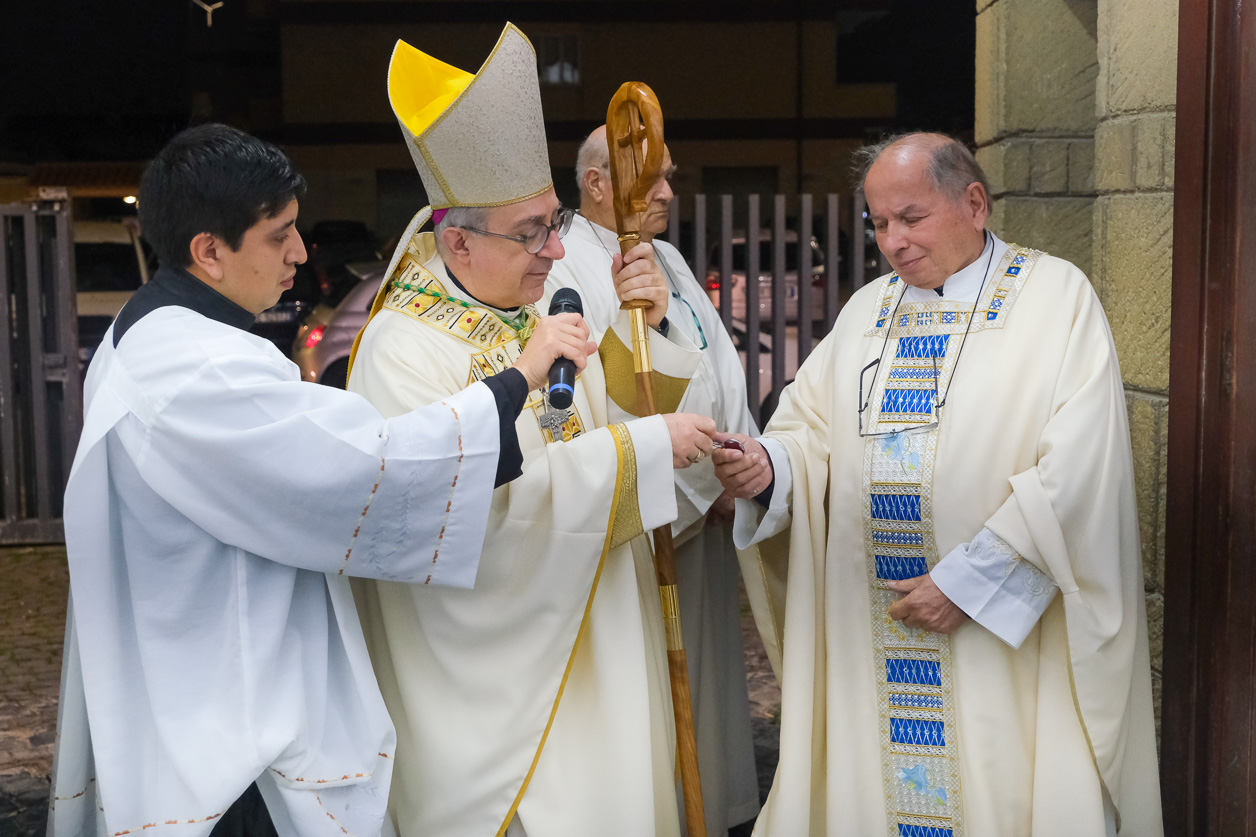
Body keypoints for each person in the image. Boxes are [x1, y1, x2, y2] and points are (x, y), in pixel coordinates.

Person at [47, 123, 572, 837]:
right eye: (278, 235)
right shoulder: (197, 367)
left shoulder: (154, 333)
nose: (301, 252)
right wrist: (523, 373)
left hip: (197, 689)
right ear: (209, 251)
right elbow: (365, 468)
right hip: (231, 732)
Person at [712, 132, 1162, 836]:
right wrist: (769, 467)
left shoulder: (1054, 299)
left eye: (911, 218)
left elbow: (1080, 469)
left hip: (999, 634)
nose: (893, 240)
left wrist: (970, 582)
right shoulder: (866, 312)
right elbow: (810, 431)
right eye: (879, 223)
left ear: (974, 203)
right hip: (877, 631)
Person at [346, 25, 716, 837]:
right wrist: (644, 454)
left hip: (596, 643)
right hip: (500, 700)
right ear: (457, 241)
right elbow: (459, 515)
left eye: (554, 224)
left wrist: (644, 330)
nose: (556, 250)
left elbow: (597, 418)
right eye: (533, 233)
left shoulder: (524, 308)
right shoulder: (403, 349)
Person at [545, 124, 761, 837]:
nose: (669, 190)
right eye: (653, 178)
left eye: (671, 174)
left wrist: (737, 459)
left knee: (703, 692)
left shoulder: (664, 255)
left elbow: (719, 365)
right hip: (642, 528)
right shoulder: (563, 267)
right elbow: (598, 396)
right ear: (598, 183)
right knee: (648, 706)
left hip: (701, 506)